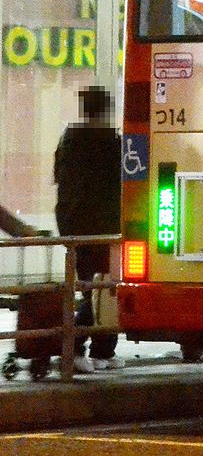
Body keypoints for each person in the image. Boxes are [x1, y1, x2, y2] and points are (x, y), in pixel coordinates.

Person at [53, 85, 122, 371]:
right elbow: (118, 183)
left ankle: (89, 349)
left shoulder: (68, 140)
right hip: (103, 226)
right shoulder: (110, 141)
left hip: (73, 223)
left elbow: (61, 181)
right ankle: (86, 349)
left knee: (89, 288)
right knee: (104, 290)